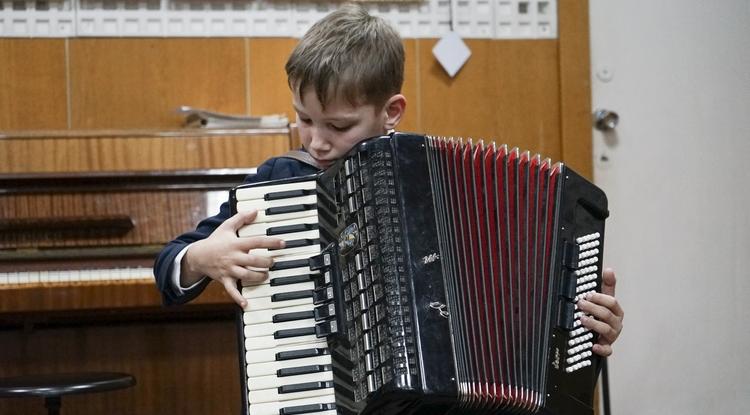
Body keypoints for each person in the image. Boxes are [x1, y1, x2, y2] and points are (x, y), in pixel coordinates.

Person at [152, 4, 623, 358]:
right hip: (316, 383)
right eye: (304, 120)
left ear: (390, 111)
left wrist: (585, 324)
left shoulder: (447, 183)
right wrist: (202, 257)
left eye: (337, 126)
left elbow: (532, 303)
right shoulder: (282, 180)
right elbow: (169, 267)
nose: (316, 142)